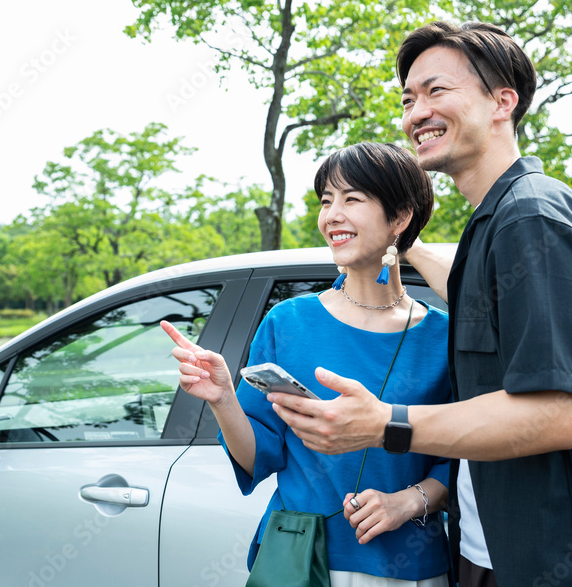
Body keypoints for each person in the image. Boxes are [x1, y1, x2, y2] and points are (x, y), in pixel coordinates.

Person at [268, 22, 572, 587]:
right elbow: (479, 300)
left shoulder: (531, 219)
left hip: (559, 563)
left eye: (437, 91)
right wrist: (397, 239)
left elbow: (557, 414)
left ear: (502, 102)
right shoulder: (497, 222)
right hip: (491, 551)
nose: (417, 113)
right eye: (409, 99)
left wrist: (384, 422)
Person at [162, 142, 453, 586]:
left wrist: (408, 502)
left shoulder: (442, 335)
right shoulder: (288, 322)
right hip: (301, 561)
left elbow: (465, 457)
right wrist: (222, 400)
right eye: (326, 200)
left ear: (400, 218)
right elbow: (259, 455)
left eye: (352, 199)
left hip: (409, 566)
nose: (332, 214)